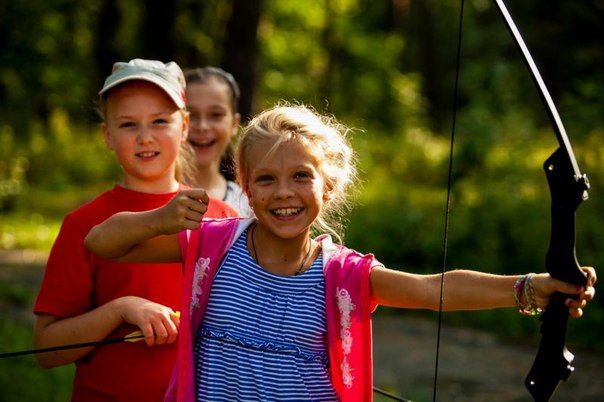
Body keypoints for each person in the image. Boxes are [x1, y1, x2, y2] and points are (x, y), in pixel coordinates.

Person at [84, 104, 596, 402]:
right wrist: (159, 218)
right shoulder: (211, 246)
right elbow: (100, 242)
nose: (284, 192)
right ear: (246, 187)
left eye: (301, 176)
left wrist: (529, 288)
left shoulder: (343, 277)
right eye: (266, 179)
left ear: (328, 187)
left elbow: (432, 289)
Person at [33, 59, 238, 402]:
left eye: (160, 121)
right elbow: (47, 349)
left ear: (184, 126)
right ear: (107, 135)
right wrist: (120, 309)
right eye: (128, 124)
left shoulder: (223, 219)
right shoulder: (84, 224)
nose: (145, 137)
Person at [183, 66, 253, 216]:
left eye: (215, 115)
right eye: (191, 115)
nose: (202, 126)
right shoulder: (153, 199)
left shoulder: (248, 205)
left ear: (234, 123)